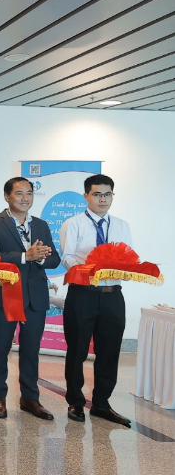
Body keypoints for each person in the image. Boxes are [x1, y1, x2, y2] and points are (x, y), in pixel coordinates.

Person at [0, 177, 59, 421]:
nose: (25, 198)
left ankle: (30, 398)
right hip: (6, 295)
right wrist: (26, 256)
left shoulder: (41, 225)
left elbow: (54, 259)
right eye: (19, 193)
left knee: (31, 351)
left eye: (29, 193)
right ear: (7, 196)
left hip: (35, 298)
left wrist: (41, 258)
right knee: (0, 349)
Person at [59, 174, 133, 427]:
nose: (103, 199)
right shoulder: (74, 224)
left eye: (107, 194)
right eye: (97, 194)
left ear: (113, 195)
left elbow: (129, 259)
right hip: (83, 294)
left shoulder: (122, 225)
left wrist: (125, 270)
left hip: (113, 296)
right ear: (86, 196)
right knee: (77, 350)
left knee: (109, 351)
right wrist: (89, 269)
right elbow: (67, 257)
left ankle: (102, 403)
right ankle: (76, 402)